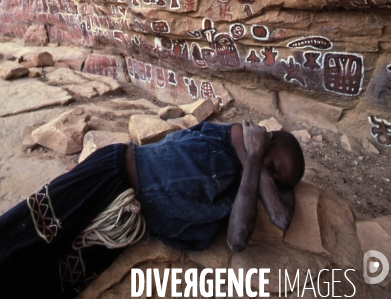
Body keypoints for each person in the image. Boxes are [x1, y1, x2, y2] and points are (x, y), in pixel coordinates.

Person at [0, 119, 304, 298]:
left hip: (123, 224)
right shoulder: (236, 135)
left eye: (278, 182)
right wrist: (256, 154)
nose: (269, 178)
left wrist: (259, 166)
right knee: (27, 232)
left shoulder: (244, 190)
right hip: (109, 176)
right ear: (268, 138)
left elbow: (259, 229)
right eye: (273, 166)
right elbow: (251, 154)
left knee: (53, 280)